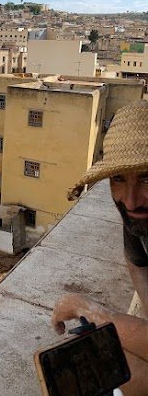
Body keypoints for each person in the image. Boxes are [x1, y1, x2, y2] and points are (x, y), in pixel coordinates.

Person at [54, 100, 148, 392]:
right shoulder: (137, 216)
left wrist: (92, 311)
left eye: (146, 177)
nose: (131, 200)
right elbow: (136, 261)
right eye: (118, 179)